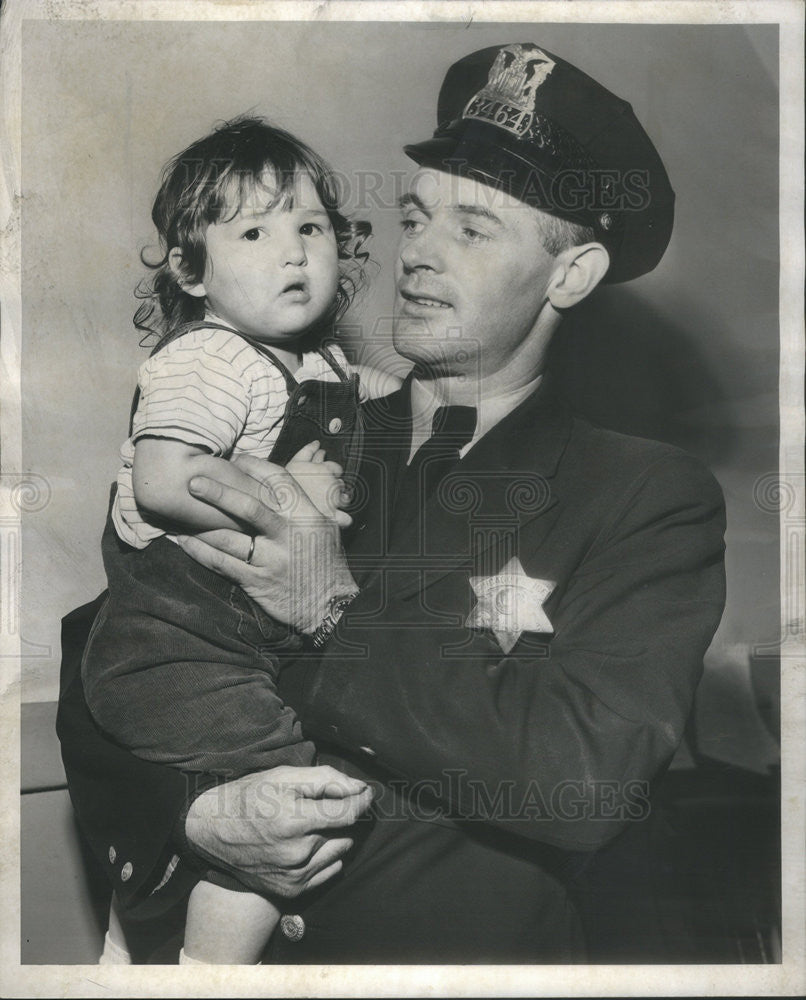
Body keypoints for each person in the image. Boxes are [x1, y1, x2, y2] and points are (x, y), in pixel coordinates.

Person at [58, 42, 727, 963]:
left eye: (474, 229)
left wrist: (334, 608)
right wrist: (198, 816)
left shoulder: (643, 497)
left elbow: (586, 779)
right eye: (416, 217)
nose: (417, 252)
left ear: (569, 276)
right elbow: (107, 648)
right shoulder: (290, 409)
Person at [78, 115, 373, 965]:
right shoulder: (211, 360)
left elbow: (377, 405)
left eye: (311, 228)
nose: (294, 253)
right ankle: (201, 972)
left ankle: (132, 945)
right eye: (254, 232)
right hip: (169, 647)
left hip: (238, 646)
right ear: (189, 268)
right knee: (281, 797)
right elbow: (162, 483)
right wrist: (287, 504)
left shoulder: (318, 365)